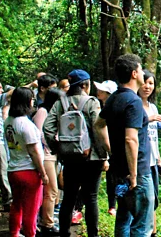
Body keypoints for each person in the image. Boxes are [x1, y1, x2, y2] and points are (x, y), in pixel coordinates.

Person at [94, 54, 155, 237]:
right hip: (137, 174)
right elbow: (131, 139)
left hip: (118, 172)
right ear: (135, 73)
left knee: (123, 217)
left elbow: (98, 124)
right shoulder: (134, 102)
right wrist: (134, 175)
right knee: (141, 225)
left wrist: (110, 148)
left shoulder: (114, 98)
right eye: (141, 68)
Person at [43, 69, 108, 237]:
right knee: (91, 197)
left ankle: (65, 234)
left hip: (70, 158)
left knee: (69, 198)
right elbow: (98, 129)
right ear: (85, 85)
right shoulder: (91, 102)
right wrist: (104, 155)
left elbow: (47, 129)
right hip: (91, 158)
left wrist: (59, 149)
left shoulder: (60, 104)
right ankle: (93, 235)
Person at [4, 87, 49, 237]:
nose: (33, 102)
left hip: (13, 169)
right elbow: (34, 152)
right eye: (31, 99)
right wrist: (43, 173)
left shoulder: (8, 122)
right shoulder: (26, 125)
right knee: (31, 208)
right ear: (26, 102)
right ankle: (30, 234)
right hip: (29, 171)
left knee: (16, 205)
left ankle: (14, 233)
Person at [138, 70, 161, 237]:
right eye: (144, 82)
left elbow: (154, 131)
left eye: (151, 83)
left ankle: (153, 231)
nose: (147, 86)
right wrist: (150, 119)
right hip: (140, 161)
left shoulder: (153, 107)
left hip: (153, 159)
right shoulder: (135, 105)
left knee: (154, 199)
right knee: (145, 200)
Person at [32, 88, 64, 235]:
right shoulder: (43, 112)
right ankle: (47, 224)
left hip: (52, 154)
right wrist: (57, 142)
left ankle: (46, 219)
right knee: (51, 190)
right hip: (46, 155)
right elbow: (40, 134)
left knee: (53, 191)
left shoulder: (53, 112)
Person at [93, 79, 118, 216]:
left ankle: (112, 205)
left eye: (102, 90)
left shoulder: (112, 109)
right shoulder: (98, 107)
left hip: (110, 147)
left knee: (112, 176)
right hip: (99, 148)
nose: (98, 91)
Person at [0, 79, 12, 211]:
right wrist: (32, 85)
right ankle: (9, 200)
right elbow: (14, 93)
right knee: (2, 171)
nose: (1, 90)